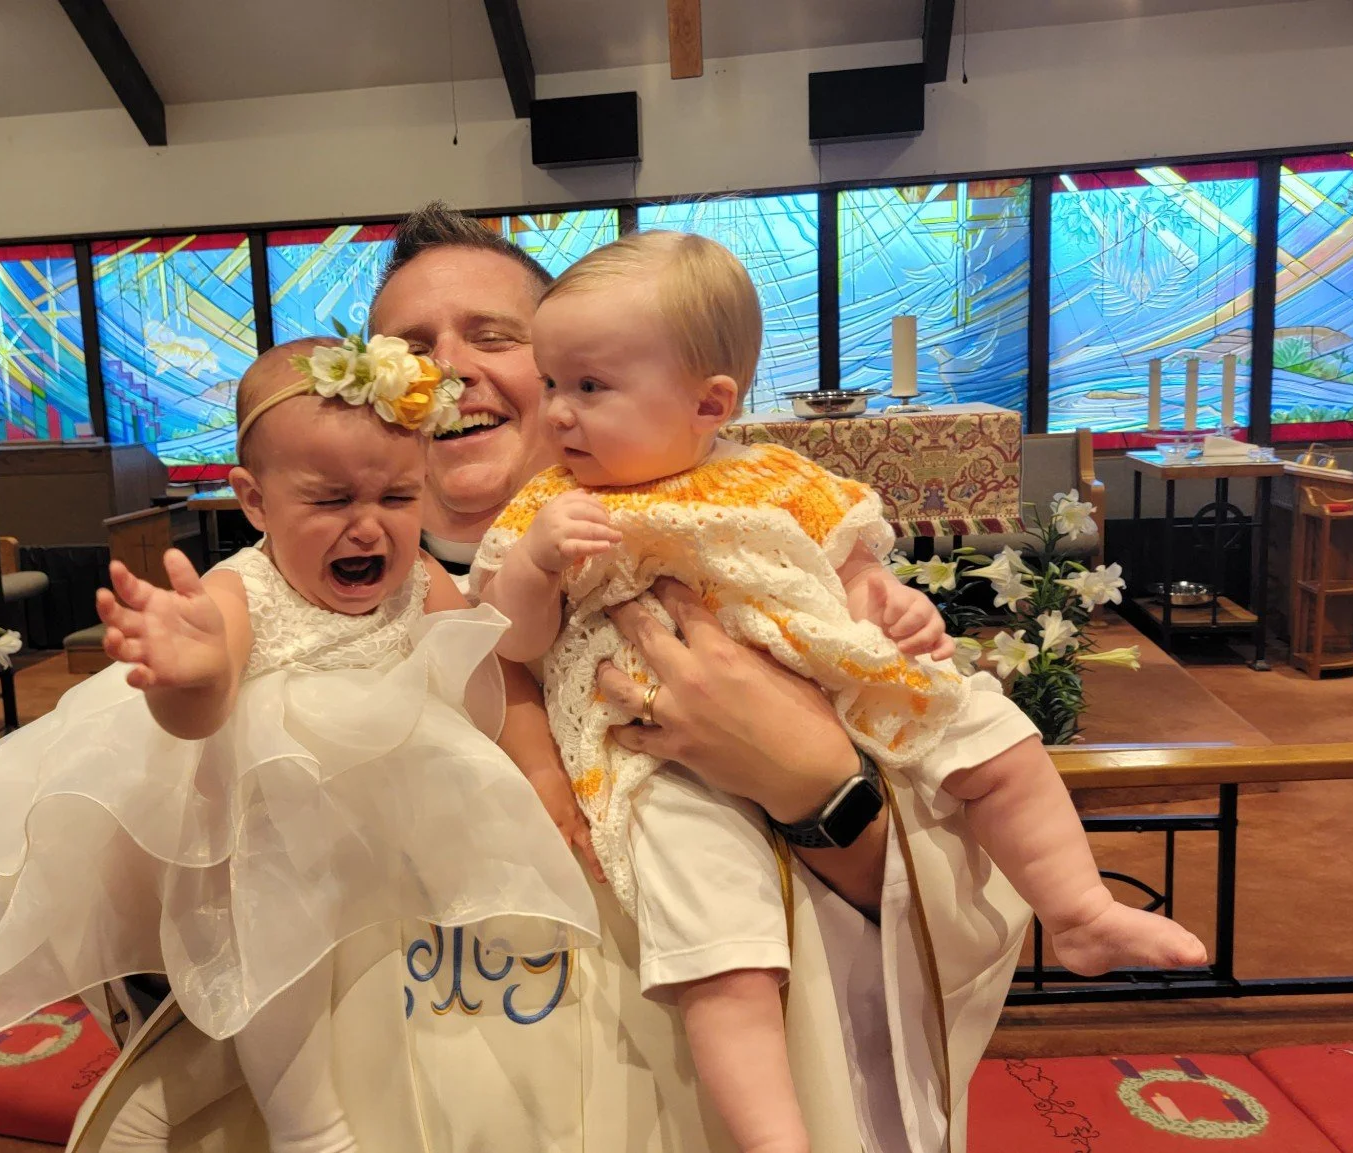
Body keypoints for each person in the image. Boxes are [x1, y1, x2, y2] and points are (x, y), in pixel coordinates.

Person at [67, 202, 1027, 1153]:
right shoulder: (259, 612)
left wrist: (810, 783)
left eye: (495, 336)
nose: (449, 366)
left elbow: (953, 884)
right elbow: (161, 935)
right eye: (410, 346)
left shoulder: (755, 560)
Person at [474, 231, 1207, 1153]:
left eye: (588, 387)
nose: (558, 415)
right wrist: (539, 562)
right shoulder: (548, 506)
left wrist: (892, 604)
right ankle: (776, 1136)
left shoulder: (777, 473)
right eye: (552, 385)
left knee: (994, 734)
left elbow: (855, 566)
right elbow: (514, 638)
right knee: (720, 948)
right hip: (658, 749)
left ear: (710, 403)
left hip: (833, 679)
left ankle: (1080, 910)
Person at [0, 338, 598, 1153]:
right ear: (253, 500)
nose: (370, 524)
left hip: (387, 825)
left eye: (398, 494)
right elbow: (201, 717)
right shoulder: (238, 590)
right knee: (273, 956)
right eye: (329, 499)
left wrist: (538, 771)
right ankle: (309, 1128)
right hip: (269, 829)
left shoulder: (422, 578)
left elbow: (485, 672)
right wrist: (194, 671)